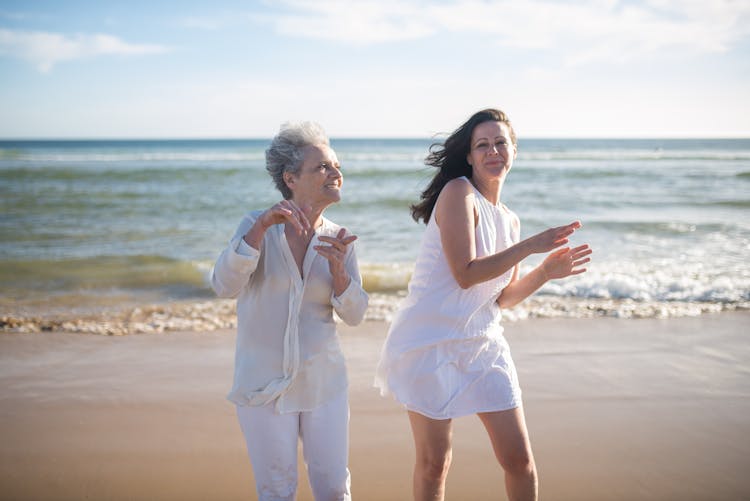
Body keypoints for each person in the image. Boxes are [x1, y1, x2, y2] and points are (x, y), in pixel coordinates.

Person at [375, 109, 592, 501]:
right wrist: (529, 247)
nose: (493, 151)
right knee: (434, 464)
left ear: (514, 150)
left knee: (519, 460)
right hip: (431, 342)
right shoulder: (459, 192)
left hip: (484, 344)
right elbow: (466, 273)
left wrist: (544, 271)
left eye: (500, 142)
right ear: (470, 157)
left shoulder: (510, 220)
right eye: (482, 145)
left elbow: (502, 297)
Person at [212, 121, 368, 501]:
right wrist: (262, 227)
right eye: (323, 167)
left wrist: (338, 275)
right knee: (277, 490)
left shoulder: (339, 237)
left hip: (324, 381)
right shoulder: (256, 225)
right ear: (291, 178)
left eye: (337, 166)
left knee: (333, 488)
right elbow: (223, 285)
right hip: (263, 385)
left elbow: (355, 314)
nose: (336, 174)